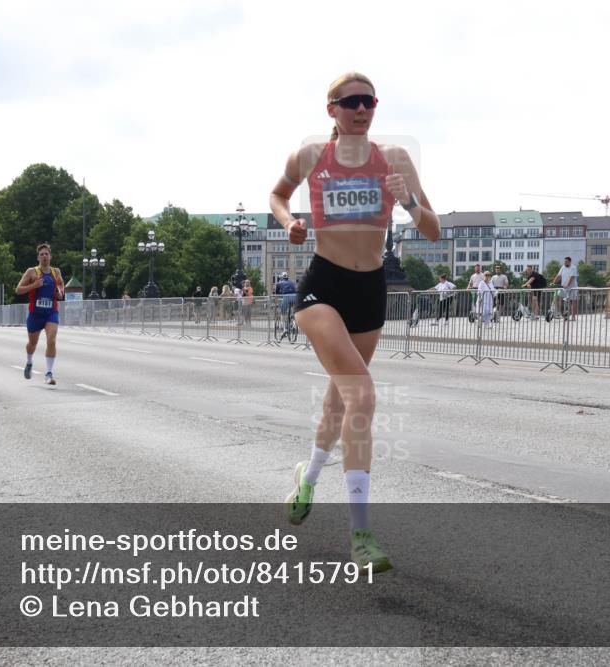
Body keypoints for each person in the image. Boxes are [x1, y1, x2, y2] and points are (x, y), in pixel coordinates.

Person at [270, 71, 440, 574]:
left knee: (338, 400)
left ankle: (307, 478)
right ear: (332, 110)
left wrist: (406, 200)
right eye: (351, 102)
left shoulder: (395, 159)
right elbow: (277, 196)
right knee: (361, 394)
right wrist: (290, 224)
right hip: (323, 287)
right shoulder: (309, 157)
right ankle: (360, 534)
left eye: (369, 101)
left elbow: (433, 230)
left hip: (369, 292)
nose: (362, 109)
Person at [15, 243, 65, 385]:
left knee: (52, 341)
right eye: (42, 254)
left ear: (50, 256)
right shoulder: (31, 272)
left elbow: (61, 284)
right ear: (38, 257)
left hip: (51, 313)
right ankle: (29, 362)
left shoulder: (56, 272)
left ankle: (49, 373)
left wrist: (60, 292)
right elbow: (18, 290)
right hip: (35, 314)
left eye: (46, 254)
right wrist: (34, 286)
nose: (44, 256)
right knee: (32, 343)